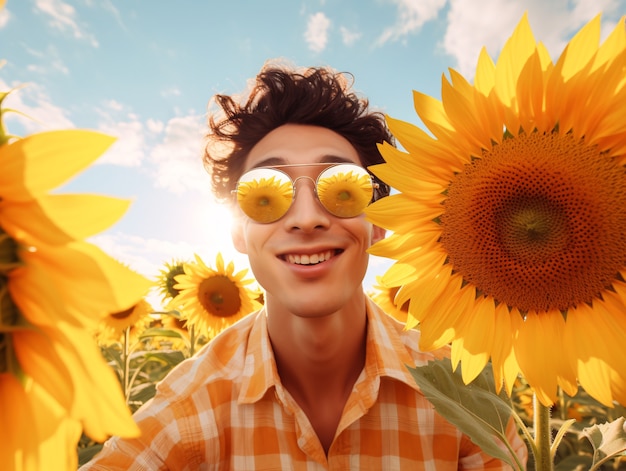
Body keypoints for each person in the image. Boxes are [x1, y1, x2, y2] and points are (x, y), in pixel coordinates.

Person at [80, 60, 528, 470]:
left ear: (379, 223)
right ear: (238, 230)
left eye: (342, 188)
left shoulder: (468, 401)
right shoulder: (189, 409)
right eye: (266, 193)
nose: (308, 217)